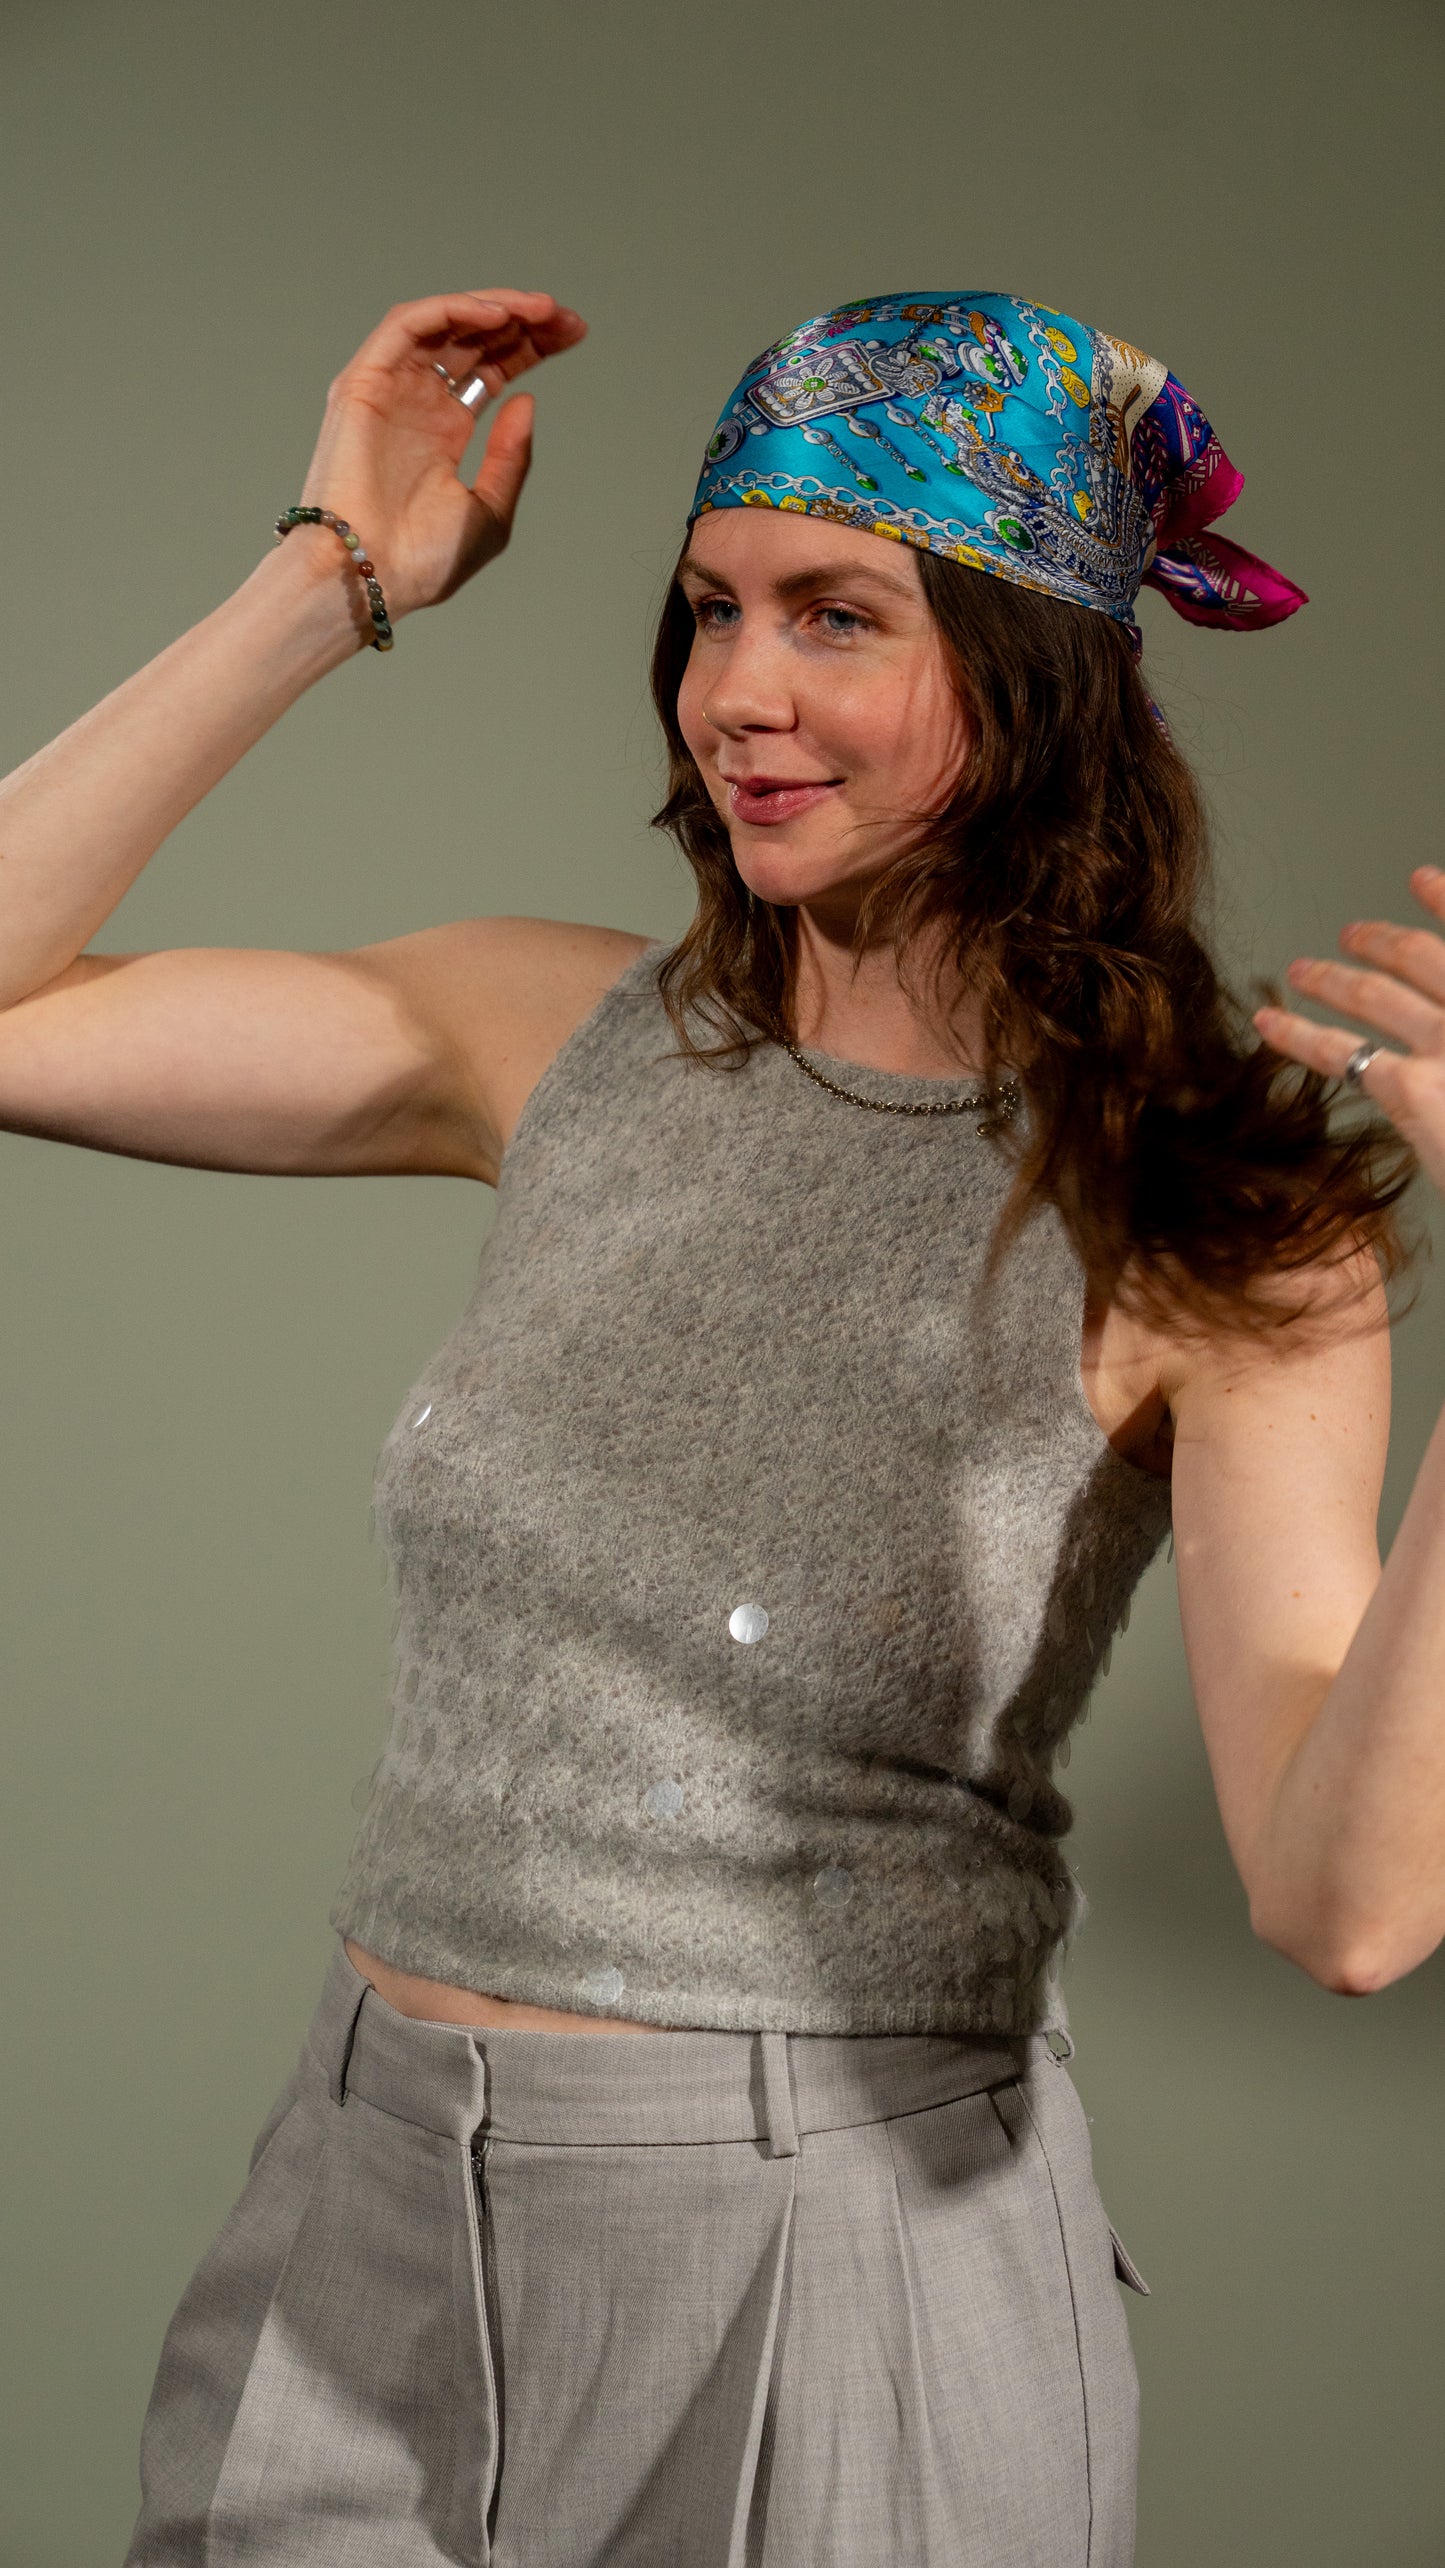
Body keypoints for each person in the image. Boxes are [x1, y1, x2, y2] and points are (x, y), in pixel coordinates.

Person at [3, 284, 1442, 2568]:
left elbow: (1350, 1906)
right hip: (368, 2186)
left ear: (1036, 669)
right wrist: (325, 580)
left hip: (827, 2246)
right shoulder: (550, 1031)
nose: (739, 693)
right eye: (707, 613)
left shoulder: (1208, 1218)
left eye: (836, 616)